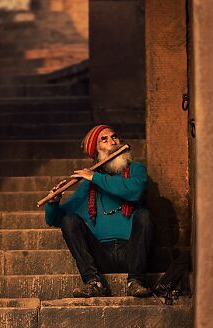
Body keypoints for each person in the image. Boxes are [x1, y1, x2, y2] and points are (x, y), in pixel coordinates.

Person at [45, 124, 153, 298]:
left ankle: (136, 281)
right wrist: (53, 202)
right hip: (101, 255)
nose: (113, 141)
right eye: (104, 139)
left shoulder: (136, 169)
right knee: (70, 220)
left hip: (132, 252)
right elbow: (58, 220)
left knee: (143, 215)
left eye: (114, 137)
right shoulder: (89, 184)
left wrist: (95, 177)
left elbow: (134, 191)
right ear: (96, 151)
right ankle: (93, 282)